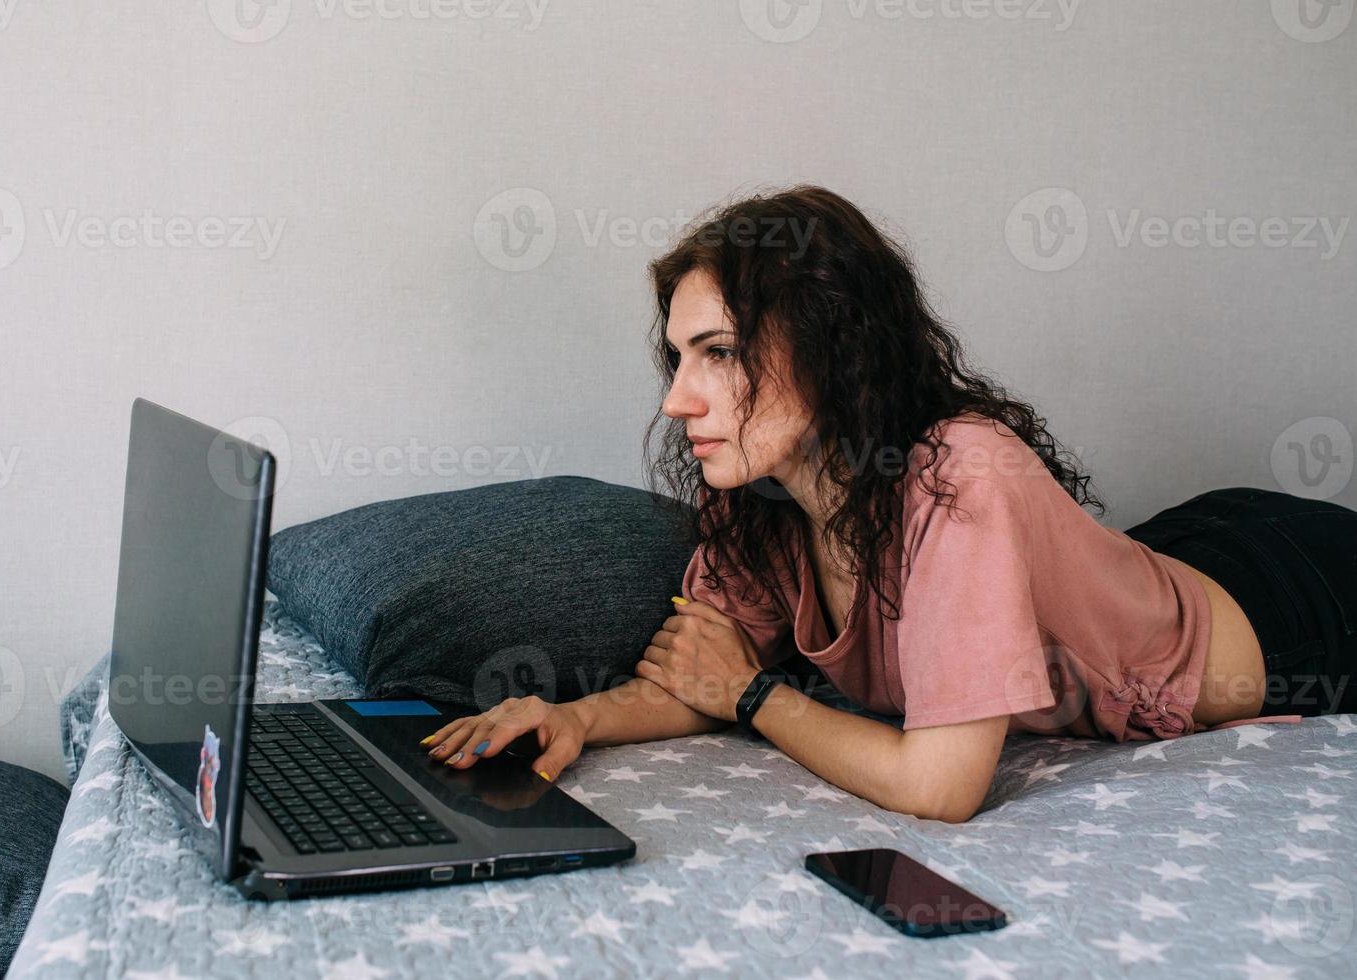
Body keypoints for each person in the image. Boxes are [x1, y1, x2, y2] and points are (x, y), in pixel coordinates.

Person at [419, 185, 1357, 823]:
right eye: (681, 357)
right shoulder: (768, 498)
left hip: (1291, 604)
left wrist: (756, 696)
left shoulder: (961, 477)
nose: (678, 399)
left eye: (721, 352)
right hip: (1172, 550)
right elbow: (687, 677)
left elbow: (941, 788)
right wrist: (576, 719)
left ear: (827, 343)